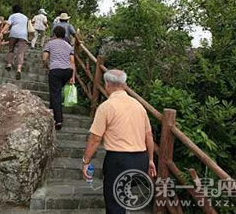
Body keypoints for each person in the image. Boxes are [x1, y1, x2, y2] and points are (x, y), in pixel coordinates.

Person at [81, 69, 156, 214]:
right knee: (122, 198)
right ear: (125, 84)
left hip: (119, 161)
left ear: (107, 84)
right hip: (141, 161)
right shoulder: (139, 106)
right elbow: (149, 136)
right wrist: (151, 160)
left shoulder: (106, 107)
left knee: (114, 205)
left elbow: (96, 138)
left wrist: (86, 161)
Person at [43, 26, 76, 130]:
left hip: (55, 70)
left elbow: (44, 58)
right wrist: (73, 76)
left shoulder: (50, 43)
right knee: (56, 92)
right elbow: (72, 62)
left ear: (55, 34)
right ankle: (52, 114)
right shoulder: (68, 45)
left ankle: (59, 120)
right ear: (64, 35)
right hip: (67, 71)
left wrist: (47, 66)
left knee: (55, 93)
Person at [0, 5, 28, 80]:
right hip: (23, 35)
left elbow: (7, 25)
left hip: (13, 34)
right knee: (21, 53)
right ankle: (19, 69)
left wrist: (2, 32)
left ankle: (9, 64)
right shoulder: (25, 17)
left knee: (11, 49)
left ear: (13, 10)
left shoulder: (12, 16)